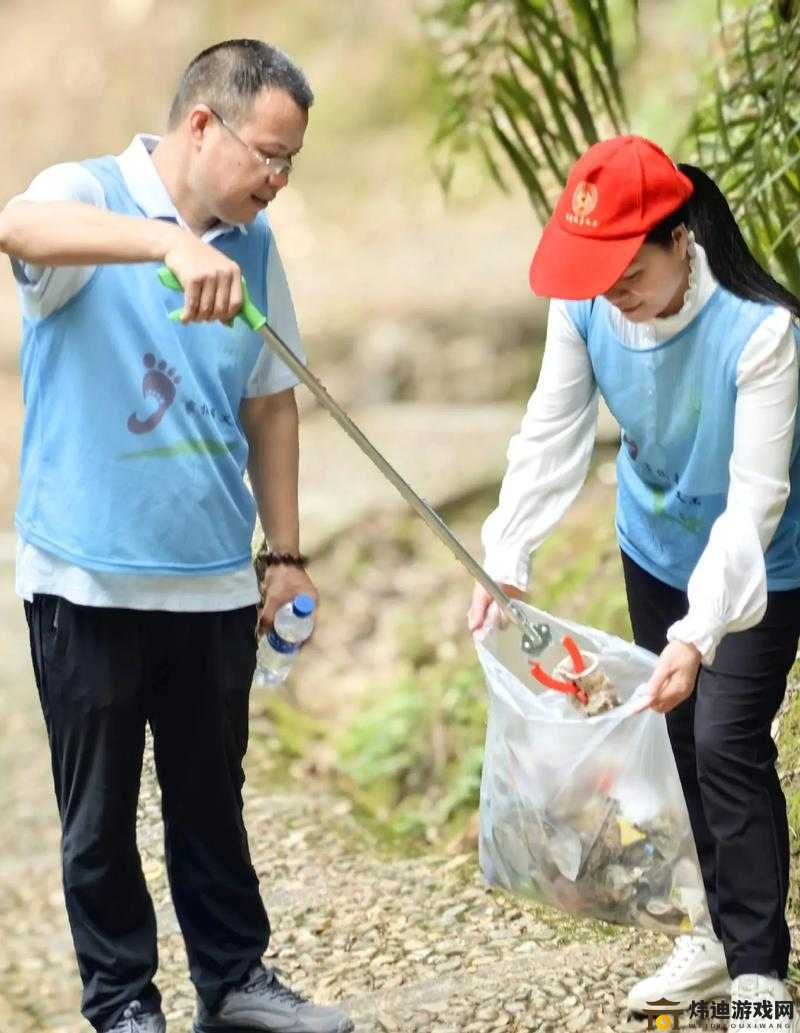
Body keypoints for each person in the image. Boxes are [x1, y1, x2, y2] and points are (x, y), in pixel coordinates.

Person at [0, 39, 352, 1033]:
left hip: (210, 581)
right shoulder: (89, 188)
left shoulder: (255, 246)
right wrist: (163, 242)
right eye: (267, 156)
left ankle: (235, 984)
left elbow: (271, 404)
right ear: (203, 124)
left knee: (210, 801)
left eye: (292, 163)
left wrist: (283, 557)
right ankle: (120, 1002)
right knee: (100, 817)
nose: (278, 180)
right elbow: (16, 224)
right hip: (88, 581)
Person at [468, 135, 800, 1032]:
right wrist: (508, 554)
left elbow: (755, 502)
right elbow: (551, 432)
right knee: (680, 735)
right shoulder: (582, 305)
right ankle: (712, 933)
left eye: (630, 268)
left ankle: (763, 971)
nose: (615, 288)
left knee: (730, 738)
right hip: (655, 540)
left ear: (680, 236)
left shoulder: (759, 328)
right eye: (598, 269)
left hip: (759, 558)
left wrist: (699, 632)